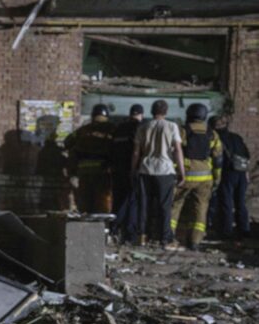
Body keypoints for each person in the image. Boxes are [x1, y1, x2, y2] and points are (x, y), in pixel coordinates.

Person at [131, 100, 185, 248]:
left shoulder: (143, 127)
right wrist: (182, 172)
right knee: (164, 206)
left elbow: (136, 152)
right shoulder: (172, 126)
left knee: (144, 204)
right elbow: (178, 150)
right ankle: (165, 238)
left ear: (152, 111)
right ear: (166, 112)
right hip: (165, 171)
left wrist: (133, 170)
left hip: (145, 169)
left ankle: (142, 236)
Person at [169, 103, 223, 250]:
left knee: (175, 205)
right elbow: (218, 159)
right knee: (200, 209)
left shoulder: (182, 131)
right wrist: (217, 178)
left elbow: (174, 151)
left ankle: (169, 236)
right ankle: (194, 241)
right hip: (205, 178)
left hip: (184, 176)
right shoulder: (212, 134)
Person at [64, 103, 115, 213]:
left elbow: (67, 142)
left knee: (85, 202)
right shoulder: (112, 130)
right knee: (102, 202)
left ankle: (85, 218)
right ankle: (101, 221)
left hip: (84, 171)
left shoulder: (83, 130)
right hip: (103, 171)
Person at [214, 116, 251, 243]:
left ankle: (226, 231)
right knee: (241, 202)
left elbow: (216, 157)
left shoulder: (217, 138)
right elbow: (246, 154)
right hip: (241, 172)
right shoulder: (237, 137)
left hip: (227, 173)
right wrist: (246, 172)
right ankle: (244, 229)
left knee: (227, 202)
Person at [111, 104, 144, 243]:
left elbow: (111, 148)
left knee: (118, 199)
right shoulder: (139, 128)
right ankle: (128, 234)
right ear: (141, 115)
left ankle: (114, 229)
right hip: (131, 169)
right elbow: (137, 151)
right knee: (132, 201)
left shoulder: (119, 128)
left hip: (116, 169)